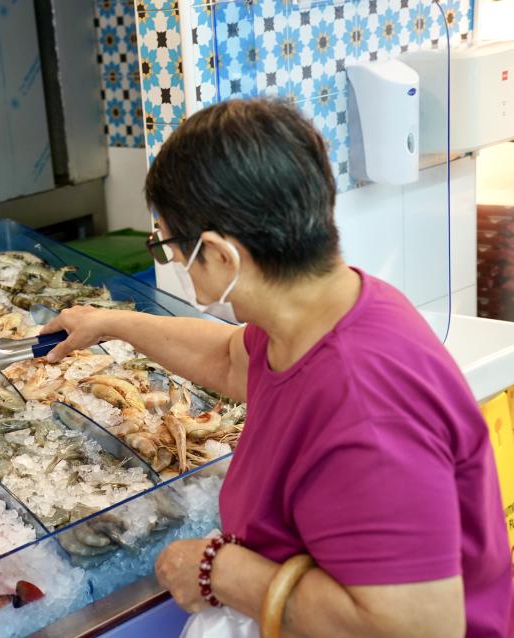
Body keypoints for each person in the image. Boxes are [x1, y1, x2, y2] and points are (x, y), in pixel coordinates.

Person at [41, 98, 512, 637]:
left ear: (220, 255)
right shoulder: (326, 309)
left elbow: (416, 629)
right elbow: (228, 358)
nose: (170, 259)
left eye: (169, 243)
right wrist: (110, 323)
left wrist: (222, 571)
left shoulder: (366, 406)